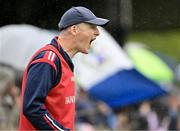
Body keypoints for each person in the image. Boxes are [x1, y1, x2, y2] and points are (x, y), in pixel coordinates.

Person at [19, 6, 109, 131]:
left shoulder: (63, 61)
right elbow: (32, 108)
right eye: (92, 27)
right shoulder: (48, 60)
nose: (98, 32)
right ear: (74, 29)